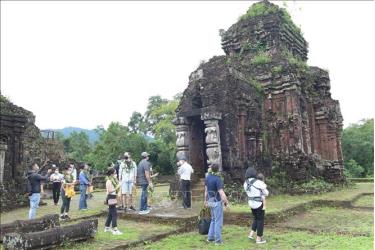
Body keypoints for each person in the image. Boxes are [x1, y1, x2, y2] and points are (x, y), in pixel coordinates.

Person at [205, 163, 229, 245]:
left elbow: (206, 191)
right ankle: (218, 241)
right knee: (218, 221)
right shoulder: (218, 179)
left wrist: (205, 200)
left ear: (211, 169)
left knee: (213, 220)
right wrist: (226, 203)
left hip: (210, 201)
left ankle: (210, 237)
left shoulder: (207, 177)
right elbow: (221, 193)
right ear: (218, 169)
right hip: (216, 202)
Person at [244, 171, 269, 244]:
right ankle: (259, 239)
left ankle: (251, 234)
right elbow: (267, 193)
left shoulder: (246, 183)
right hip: (258, 204)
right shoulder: (258, 183)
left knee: (256, 218)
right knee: (260, 220)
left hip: (251, 203)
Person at [104, 167, 123, 235]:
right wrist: (117, 187)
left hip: (113, 196)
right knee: (114, 214)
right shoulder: (109, 181)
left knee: (110, 214)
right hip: (111, 197)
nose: (116, 174)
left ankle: (107, 227)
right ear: (111, 174)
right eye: (115, 173)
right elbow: (109, 191)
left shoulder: (113, 180)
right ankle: (115, 229)